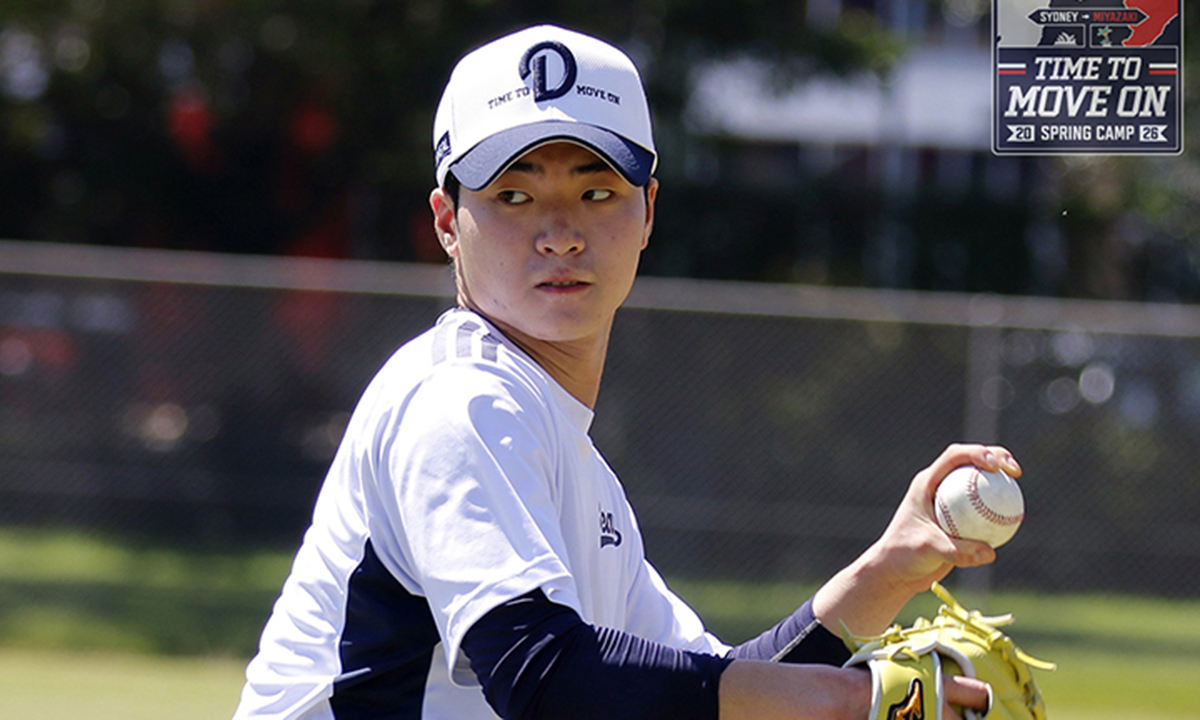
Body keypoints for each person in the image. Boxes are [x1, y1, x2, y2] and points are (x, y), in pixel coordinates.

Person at [233, 24, 1020, 720]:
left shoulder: (563, 455)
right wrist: (858, 701)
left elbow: (717, 691)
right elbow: (546, 680)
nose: (560, 232)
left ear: (647, 210)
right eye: (513, 194)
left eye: (596, 189)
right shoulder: (461, 401)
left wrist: (886, 573)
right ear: (447, 220)